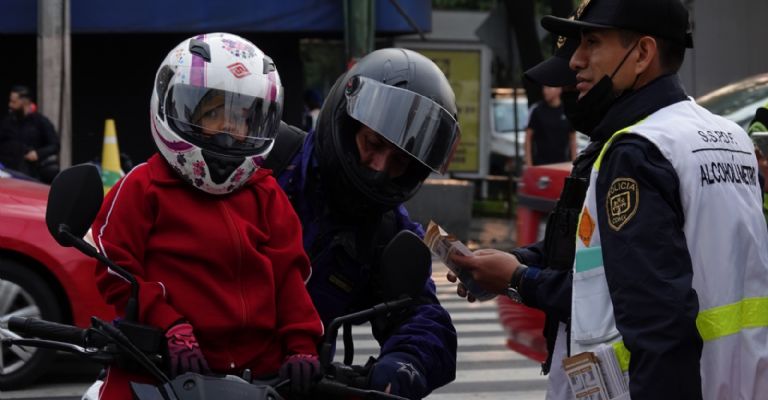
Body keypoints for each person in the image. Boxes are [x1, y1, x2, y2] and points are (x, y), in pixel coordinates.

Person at [449, 0, 768, 399]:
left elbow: (650, 319)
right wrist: (521, 262)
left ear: (643, 53)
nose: (576, 61)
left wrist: (518, 280)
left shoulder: (638, 150)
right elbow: (607, 255)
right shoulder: (731, 137)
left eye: (593, 42)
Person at [91, 33, 323, 399]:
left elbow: (289, 277)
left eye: (241, 117)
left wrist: (302, 344)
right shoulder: (144, 186)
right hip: (158, 367)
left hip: (258, 378)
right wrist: (168, 324)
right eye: (214, 114)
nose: (229, 130)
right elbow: (116, 267)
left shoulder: (266, 193)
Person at [273, 48, 459, 400]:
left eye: (400, 161)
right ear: (346, 125)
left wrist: (405, 364)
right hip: (195, 371)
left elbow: (423, 315)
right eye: (372, 144)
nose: (379, 166)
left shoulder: (387, 231)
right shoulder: (268, 162)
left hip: (296, 385)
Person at [0, 85, 60, 182]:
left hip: (32, 173)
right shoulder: (7, 122)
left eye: (14, 102)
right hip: (9, 172)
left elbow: (55, 145)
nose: (10, 105)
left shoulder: (40, 122)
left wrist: (37, 154)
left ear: (24, 102)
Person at [524, 85, 576, 167]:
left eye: (548, 87)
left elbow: (572, 139)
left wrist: (574, 164)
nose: (545, 91)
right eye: (544, 87)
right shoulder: (537, 110)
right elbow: (528, 138)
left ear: (559, 89)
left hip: (562, 164)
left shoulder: (567, 110)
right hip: (541, 165)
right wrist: (529, 165)